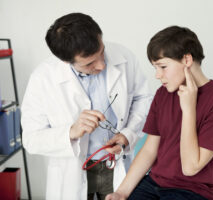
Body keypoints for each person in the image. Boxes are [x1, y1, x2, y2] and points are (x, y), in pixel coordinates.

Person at [21, 13, 152, 200]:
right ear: (66, 61)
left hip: (117, 166)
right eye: (90, 63)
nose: (102, 65)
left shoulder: (124, 56)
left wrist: (128, 134)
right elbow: (31, 140)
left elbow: (143, 99)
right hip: (73, 174)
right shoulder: (42, 79)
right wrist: (71, 132)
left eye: (102, 52)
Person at [105, 26, 213, 200]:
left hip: (195, 190)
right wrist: (121, 192)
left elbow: (190, 167)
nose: (157, 75)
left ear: (187, 60)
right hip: (154, 183)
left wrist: (188, 109)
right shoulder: (162, 94)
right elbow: (150, 149)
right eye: (155, 67)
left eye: (163, 66)